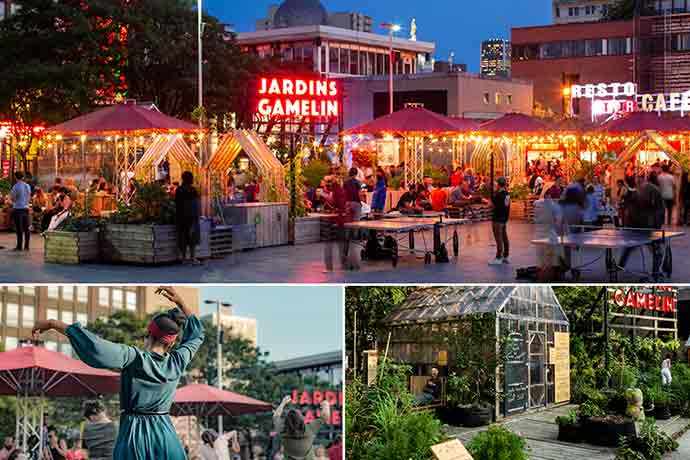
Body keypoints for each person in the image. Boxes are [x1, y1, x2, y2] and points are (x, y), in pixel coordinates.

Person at [31, 287, 204, 460]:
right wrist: (180, 301)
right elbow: (197, 335)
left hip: (135, 437)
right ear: (171, 344)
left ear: (148, 334)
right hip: (167, 439)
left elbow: (96, 348)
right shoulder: (177, 361)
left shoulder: (134, 357)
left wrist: (54, 324)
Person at [273, 395, 331, 460]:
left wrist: (283, 403)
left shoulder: (282, 430)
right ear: (301, 419)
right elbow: (325, 416)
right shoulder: (310, 428)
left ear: (286, 421)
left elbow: (276, 416)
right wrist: (326, 404)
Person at [175, 171, 202, 265]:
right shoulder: (192, 190)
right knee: (192, 238)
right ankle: (193, 258)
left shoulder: (179, 189)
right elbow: (195, 204)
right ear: (190, 179)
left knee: (183, 237)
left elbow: (176, 203)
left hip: (181, 216)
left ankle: (183, 258)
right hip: (191, 216)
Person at [489, 177, 511, 266]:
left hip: (497, 219)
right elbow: (507, 206)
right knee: (504, 237)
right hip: (504, 218)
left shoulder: (498, 195)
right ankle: (506, 256)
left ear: (498, 184)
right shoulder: (507, 194)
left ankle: (498, 257)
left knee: (499, 239)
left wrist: (489, 201)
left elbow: (493, 206)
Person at [10, 171, 32, 251]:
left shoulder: (16, 186)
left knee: (19, 229)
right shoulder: (27, 186)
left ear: (16, 177)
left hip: (18, 209)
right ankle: (26, 246)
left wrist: (14, 200)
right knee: (26, 228)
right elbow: (29, 197)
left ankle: (19, 246)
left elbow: (13, 198)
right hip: (26, 208)